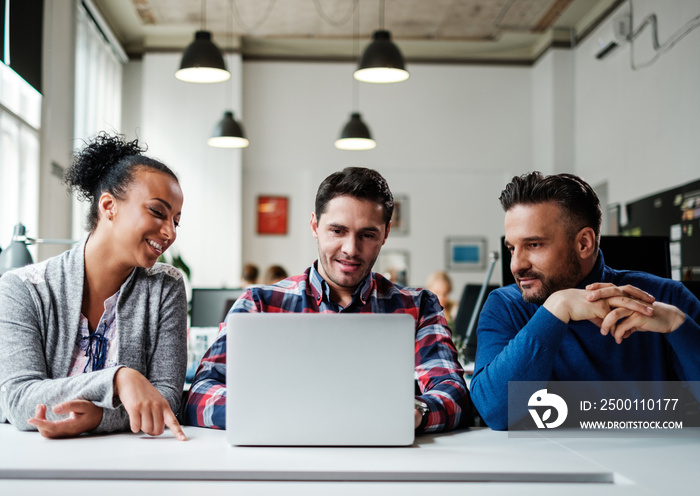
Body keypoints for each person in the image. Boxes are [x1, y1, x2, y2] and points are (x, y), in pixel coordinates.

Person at [186, 167, 469, 433]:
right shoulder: (258, 304)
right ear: (315, 226)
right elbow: (200, 395)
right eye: (338, 231)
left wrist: (417, 411)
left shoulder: (418, 307)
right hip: (280, 464)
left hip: (385, 466)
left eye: (367, 235)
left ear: (385, 234)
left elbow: (453, 393)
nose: (351, 249)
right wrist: (284, 413)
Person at [470, 171, 700, 430]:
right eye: (512, 248)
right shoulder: (505, 306)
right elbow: (495, 412)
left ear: (584, 243)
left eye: (533, 245)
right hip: (556, 466)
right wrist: (556, 308)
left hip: (656, 464)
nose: (516, 265)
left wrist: (678, 326)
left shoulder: (668, 299)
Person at [0, 133, 188, 441]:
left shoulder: (165, 287)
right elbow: (20, 399)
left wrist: (101, 417)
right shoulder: (23, 288)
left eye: (176, 221)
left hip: (128, 462)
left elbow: (166, 397)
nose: (169, 232)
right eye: (157, 212)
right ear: (108, 206)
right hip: (31, 460)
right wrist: (117, 380)